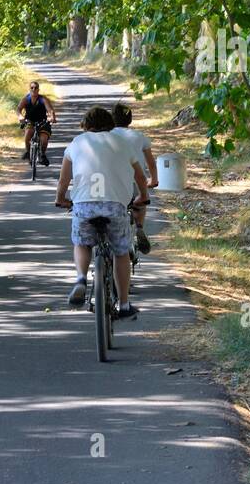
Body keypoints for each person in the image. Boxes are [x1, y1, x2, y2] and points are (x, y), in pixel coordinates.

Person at [55, 105, 149, 319]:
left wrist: (61, 199)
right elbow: (141, 178)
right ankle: (124, 305)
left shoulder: (77, 142)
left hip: (84, 205)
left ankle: (80, 278)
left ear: (86, 125)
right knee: (121, 252)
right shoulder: (123, 143)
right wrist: (142, 197)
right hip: (115, 206)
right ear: (110, 124)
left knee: (81, 242)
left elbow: (63, 180)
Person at [110, 102, 159, 255]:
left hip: (113, 181)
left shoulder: (107, 135)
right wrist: (154, 180)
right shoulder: (139, 136)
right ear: (130, 119)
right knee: (140, 203)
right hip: (136, 180)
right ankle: (139, 227)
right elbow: (151, 162)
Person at [16, 81, 56, 165]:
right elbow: (18, 109)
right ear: (29, 89)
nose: (34, 89)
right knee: (28, 133)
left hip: (42, 122)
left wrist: (52, 117)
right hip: (30, 121)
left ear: (38, 90)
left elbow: (50, 110)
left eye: (36, 88)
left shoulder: (43, 99)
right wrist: (20, 116)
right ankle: (28, 152)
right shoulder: (26, 99)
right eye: (32, 88)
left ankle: (42, 155)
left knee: (43, 139)